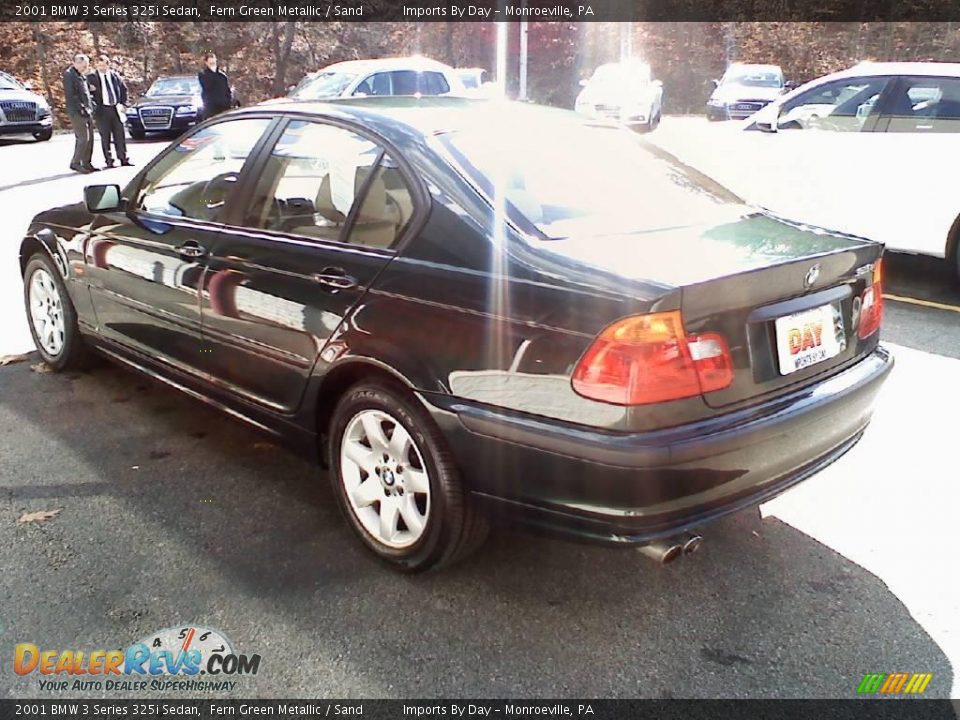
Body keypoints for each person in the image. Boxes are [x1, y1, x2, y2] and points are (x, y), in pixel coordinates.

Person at [87, 55, 132, 168]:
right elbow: (87, 94)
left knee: (119, 135)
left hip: (116, 108)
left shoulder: (115, 76)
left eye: (104, 65)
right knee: (105, 137)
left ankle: (123, 158)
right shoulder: (91, 78)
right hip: (102, 110)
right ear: (96, 65)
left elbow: (124, 90)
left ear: (108, 64)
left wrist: (124, 104)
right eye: (99, 65)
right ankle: (109, 160)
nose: (102, 67)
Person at [63, 53, 96, 173]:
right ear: (76, 63)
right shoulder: (69, 75)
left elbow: (85, 92)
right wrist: (82, 108)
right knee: (83, 138)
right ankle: (75, 162)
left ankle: (87, 162)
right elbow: (72, 95)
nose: (86, 68)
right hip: (77, 111)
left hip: (88, 110)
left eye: (87, 65)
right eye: (84, 65)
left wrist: (91, 106)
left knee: (91, 138)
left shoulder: (81, 75)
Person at [197, 52, 232, 120]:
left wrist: (228, 100)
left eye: (214, 62)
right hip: (211, 108)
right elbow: (207, 86)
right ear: (206, 63)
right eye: (211, 63)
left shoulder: (222, 75)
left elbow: (226, 89)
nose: (213, 64)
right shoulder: (203, 74)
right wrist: (213, 72)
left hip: (224, 106)